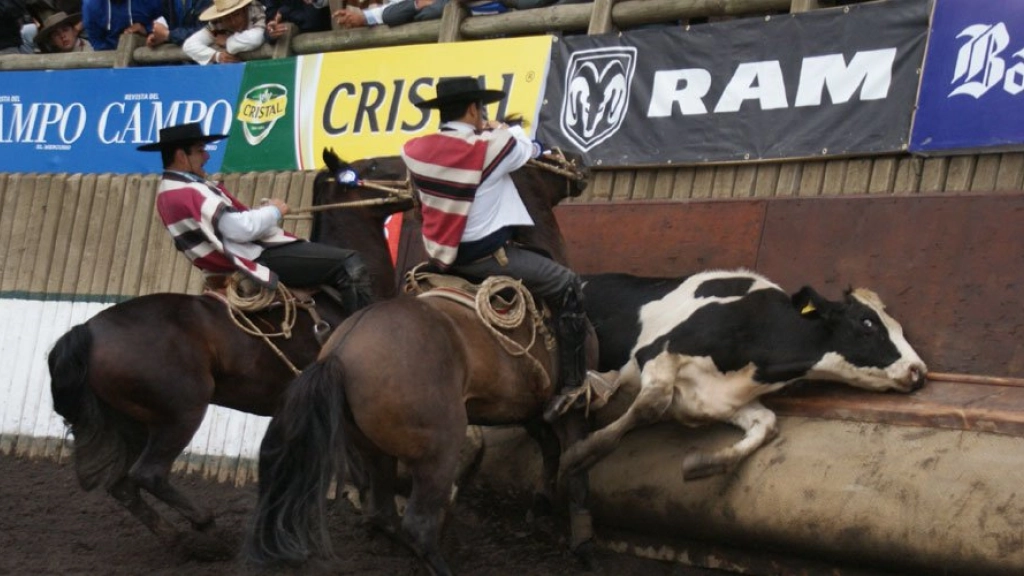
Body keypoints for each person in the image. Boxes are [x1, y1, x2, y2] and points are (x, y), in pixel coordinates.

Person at [400, 76, 586, 422]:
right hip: (489, 260)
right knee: (568, 285)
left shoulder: (414, 151)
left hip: (442, 262)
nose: (484, 114)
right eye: (481, 109)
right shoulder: (490, 147)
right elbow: (530, 148)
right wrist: (499, 128)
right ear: (473, 109)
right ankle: (574, 385)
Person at [138, 122, 372, 312]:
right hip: (254, 258)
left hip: (221, 266)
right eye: (200, 150)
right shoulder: (190, 191)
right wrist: (274, 211)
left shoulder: (167, 192)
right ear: (181, 156)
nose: (207, 156)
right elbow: (240, 230)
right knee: (349, 263)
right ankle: (363, 338)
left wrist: (264, 213)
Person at [182, 0, 265, 64]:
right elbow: (189, 45)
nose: (233, 22)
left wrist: (228, 42)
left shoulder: (255, 11)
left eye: (237, 15)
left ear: (244, 9)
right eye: (227, 18)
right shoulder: (217, 23)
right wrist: (217, 56)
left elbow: (257, 37)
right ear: (221, 17)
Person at [81, 0, 163, 50]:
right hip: (109, 56)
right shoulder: (91, 5)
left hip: (151, 50)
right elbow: (96, 41)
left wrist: (146, 29)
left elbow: (165, 23)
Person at [145, 0, 212, 49]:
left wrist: (168, 35)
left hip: (204, 59)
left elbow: (207, 30)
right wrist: (158, 36)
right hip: (178, 58)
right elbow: (169, 26)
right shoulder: (169, 2)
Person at [262, 0, 330, 45]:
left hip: (326, 40)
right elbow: (270, 24)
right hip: (292, 51)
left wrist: (284, 12)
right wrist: (271, 32)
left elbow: (313, 20)